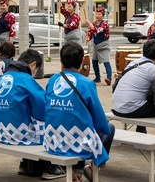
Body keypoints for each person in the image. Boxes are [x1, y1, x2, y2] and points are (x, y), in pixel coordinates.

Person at [44, 42, 115, 182]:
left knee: (76, 126)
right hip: (77, 142)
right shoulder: (86, 83)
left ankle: (77, 171)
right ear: (82, 61)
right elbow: (99, 119)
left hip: (51, 141)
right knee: (109, 129)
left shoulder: (52, 80)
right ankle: (91, 168)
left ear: (60, 61)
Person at [0, 49, 64, 179]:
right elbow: (42, 109)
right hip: (20, 135)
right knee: (54, 127)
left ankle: (26, 164)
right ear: (32, 64)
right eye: (36, 69)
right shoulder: (25, 80)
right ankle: (50, 168)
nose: (35, 72)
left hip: (2, 132)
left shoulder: (2, 78)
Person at [112, 39, 155, 134]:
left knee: (141, 97)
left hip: (117, 107)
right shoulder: (154, 70)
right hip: (132, 110)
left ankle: (141, 129)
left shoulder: (132, 63)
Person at [85, 6, 112, 85]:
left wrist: (90, 24)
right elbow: (90, 32)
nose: (97, 15)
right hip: (96, 46)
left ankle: (109, 78)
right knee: (94, 62)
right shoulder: (94, 24)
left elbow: (97, 30)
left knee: (106, 62)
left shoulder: (105, 24)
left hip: (104, 46)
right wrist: (88, 38)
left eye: (99, 14)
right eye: (96, 14)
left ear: (103, 15)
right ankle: (97, 77)